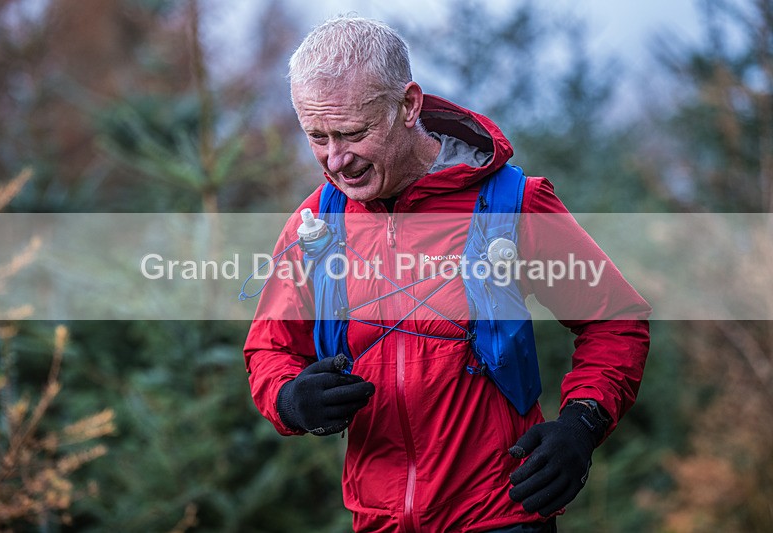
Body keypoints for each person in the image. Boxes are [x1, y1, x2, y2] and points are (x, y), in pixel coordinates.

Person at [244, 16, 651, 533]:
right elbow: (268, 350)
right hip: (378, 522)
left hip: (502, 516)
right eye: (317, 136)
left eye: (352, 133)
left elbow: (614, 320)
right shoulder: (316, 224)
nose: (336, 160)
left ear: (409, 105)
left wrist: (581, 425)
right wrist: (290, 399)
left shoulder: (511, 205)